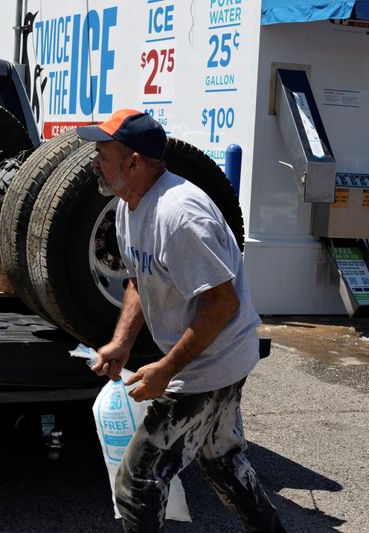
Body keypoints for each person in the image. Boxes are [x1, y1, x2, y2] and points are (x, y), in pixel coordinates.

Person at [82, 109, 285, 532]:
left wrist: (167, 370)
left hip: (210, 364)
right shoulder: (129, 207)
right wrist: (121, 341)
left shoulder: (180, 216)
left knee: (137, 483)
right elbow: (139, 281)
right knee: (223, 462)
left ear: (133, 162)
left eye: (103, 153)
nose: (94, 161)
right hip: (212, 357)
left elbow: (221, 303)